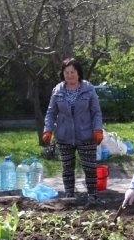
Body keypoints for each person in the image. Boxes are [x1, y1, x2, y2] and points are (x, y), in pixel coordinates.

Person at [42, 58, 104, 203]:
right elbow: (51, 113)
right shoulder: (57, 90)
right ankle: (69, 195)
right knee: (67, 168)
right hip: (64, 136)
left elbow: (96, 112)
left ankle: (93, 195)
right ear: (63, 74)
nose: (70, 75)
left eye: (72, 72)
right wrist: (48, 130)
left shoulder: (88, 89)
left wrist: (97, 129)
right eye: (66, 72)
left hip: (86, 135)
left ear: (78, 73)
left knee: (89, 168)